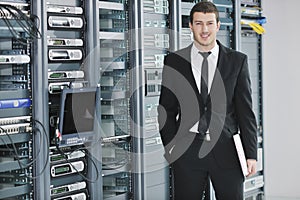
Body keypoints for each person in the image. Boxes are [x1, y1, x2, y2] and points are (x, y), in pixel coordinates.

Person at [158, 1, 257, 200]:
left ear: (218, 25)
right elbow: (165, 110)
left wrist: (251, 154)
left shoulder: (237, 61)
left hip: (227, 149)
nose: (205, 30)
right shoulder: (175, 62)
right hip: (188, 151)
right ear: (190, 26)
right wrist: (171, 148)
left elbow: (245, 112)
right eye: (199, 23)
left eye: (210, 23)